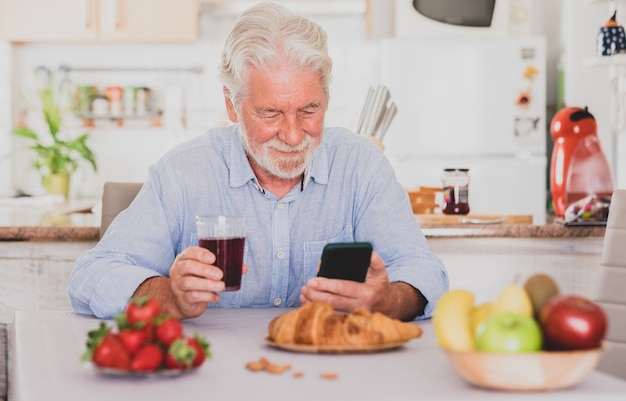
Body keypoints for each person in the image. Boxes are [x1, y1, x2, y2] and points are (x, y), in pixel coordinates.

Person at [67, 2, 448, 322]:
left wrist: (386, 301)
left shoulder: (363, 166)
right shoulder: (183, 173)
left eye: (309, 109)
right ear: (231, 105)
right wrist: (169, 295)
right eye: (271, 114)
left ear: (327, 99)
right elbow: (91, 275)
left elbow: (424, 271)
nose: (294, 134)